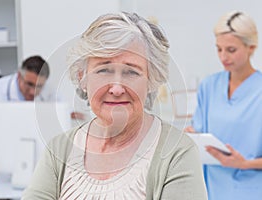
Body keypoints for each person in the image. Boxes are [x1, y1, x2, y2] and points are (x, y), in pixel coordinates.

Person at [23, 12, 207, 199]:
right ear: (82, 78)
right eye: (104, 70)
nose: (117, 88)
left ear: (151, 80)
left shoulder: (178, 153)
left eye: (131, 72)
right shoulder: (59, 149)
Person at [184, 11, 262, 200]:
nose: (223, 56)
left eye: (231, 50)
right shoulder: (209, 86)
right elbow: (202, 135)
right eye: (219, 49)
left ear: (251, 47)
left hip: (252, 189)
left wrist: (244, 164)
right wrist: (192, 136)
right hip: (211, 189)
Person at [0, 55, 54, 189]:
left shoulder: (49, 92)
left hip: (34, 172)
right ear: (19, 76)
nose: (32, 91)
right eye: (29, 84)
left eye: (38, 86)